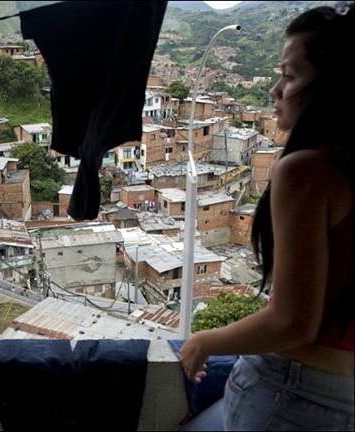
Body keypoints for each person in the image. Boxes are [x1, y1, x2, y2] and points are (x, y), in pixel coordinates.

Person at [180, 6, 354, 431]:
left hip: (292, 393)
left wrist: (203, 341)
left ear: (333, 86)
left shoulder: (307, 171)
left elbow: (292, 323)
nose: (276, 90)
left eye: (290, 76)